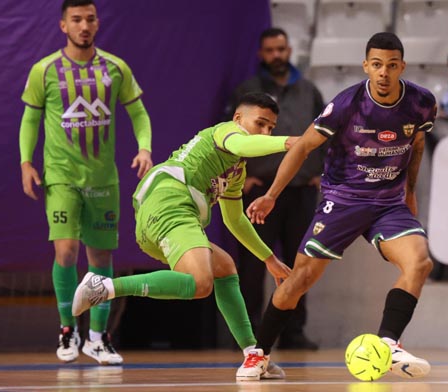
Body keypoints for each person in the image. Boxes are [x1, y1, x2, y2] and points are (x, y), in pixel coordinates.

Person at [235, 32, 437, 381]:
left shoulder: (421, 102)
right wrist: (272, 194)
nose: (384, 73)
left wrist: (410, 190)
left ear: (402, 66)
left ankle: (388, 343)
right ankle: (259, 354)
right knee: (300, 279)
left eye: (391, 65)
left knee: (419, 262)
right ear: (366, 66)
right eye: (377, 65)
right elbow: (301, 148)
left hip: (388, 203)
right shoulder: (346, 104)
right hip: (343, 200)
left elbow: (416, 143)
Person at [72, 92, 294, 378]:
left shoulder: (236, 170)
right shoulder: (226, 132)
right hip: (170, 202)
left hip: (163, 218)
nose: (265, 132)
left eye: (271, 129)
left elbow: (235, 219)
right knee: (201, 284)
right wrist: (291, 143)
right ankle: (105, 287)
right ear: (238, 118)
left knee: (224, 267)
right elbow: (245, 143)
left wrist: (269, 258)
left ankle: (253, 355)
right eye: (260, 124)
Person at [19, 0, 153, 365]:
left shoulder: (115, 68)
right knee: (65, 251)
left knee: (100, 256)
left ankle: (97, 336)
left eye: (90, 19)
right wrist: (26, 162)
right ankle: (67, 329)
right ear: (63, 25)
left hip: (102, 179)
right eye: (76, 19)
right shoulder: (44, 70)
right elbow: (30, 120)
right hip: (61, 175)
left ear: (97, 23)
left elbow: (138, 112)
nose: (84, 25)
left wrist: (144, 149)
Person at [224, 27, 325, 350]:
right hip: (260, 189)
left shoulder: (308, 90)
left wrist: (320, 173)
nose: (276, 55)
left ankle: (294, 331)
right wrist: (246, 174)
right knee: (254, 263)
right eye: (270, 50)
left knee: (301, 262)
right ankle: (250, 333)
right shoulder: (249, 91)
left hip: (301, 190)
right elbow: (231, 135)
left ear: (289, 49)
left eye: (281, 49)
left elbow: (325, 133)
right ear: (261, 54)